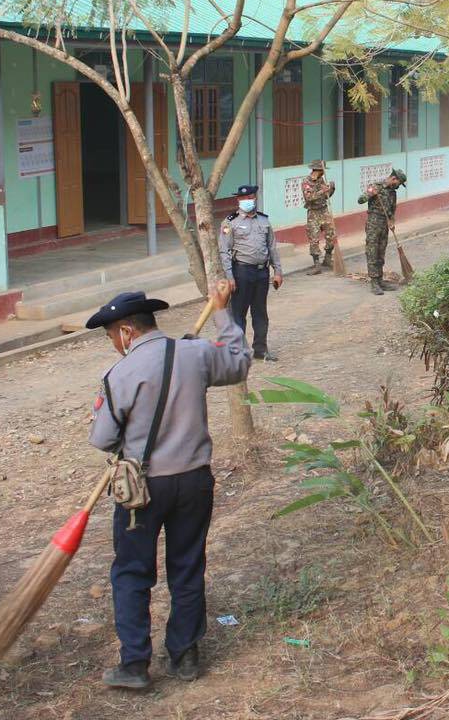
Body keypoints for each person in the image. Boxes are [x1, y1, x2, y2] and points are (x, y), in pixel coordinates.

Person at [87, 284, 250, 691]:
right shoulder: (194, 353)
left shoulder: (120, 373)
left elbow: (103, 439)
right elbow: (239, 363)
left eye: (111, 336)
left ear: (126, 331)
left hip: (142, 490)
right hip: (195, 481)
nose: (113, 344)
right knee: (188, 565)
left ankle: (135, 665)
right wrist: (222, 312)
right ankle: (185, 655)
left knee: (132, 573)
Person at [219, 184, 283, 361]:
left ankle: (261, 350)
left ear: (255, 198)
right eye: (244, 198)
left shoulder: (264, 220)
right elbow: (224, 251)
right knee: (239, 313)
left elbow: (272, 247)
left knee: (260, 312)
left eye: (250, 198)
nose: (248, 201)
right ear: (238, 200)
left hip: (262, 273)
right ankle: (239, 352)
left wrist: (277, 271)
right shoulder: (230, 222)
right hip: (242, 272)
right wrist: (230, 276)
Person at [358, 168, 406, 296]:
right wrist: (370, 194)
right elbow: (360, 200)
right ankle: (374, 282)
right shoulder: (376, 187)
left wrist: (392, 221)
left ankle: (380, 280)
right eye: (398, 183)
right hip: (374, 223)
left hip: (384, 224)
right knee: (372, 251)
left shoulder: (392, 193)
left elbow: (392, 210)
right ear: (393, 178)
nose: (398, 186)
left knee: (381, 252)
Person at [300, 160, 337, 275]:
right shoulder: (306, 182)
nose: (323, 173)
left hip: (324, 210)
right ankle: (316, 264)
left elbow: (327, 196)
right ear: (317, 170)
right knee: (314, 238)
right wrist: (322, 190)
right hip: (313, 213)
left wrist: (331, 189)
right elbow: (309, 198)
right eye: (322, 171)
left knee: (331, 234)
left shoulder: (321, 180)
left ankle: (327, 258)